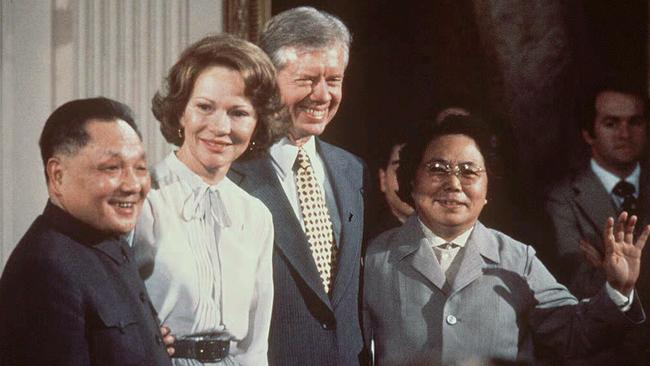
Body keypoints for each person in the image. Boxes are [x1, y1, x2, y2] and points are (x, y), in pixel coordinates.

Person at [363, 114, 648, 366]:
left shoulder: (517, 258)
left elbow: (575, 334)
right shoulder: (375, 257)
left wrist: (618, 289)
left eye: (469, 171)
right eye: (437, 169)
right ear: (412, 181)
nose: (453, 183)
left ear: (488, 188)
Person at [228, 7, 367, 365]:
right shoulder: (230, 173)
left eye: (333, 80)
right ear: (268, 80)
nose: (322, 95)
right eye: (306, 79)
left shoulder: (353, 171)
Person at [134, 34, 282, 365]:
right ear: (181, 112)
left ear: (258, 124)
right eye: (205, 107)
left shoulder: (255, 215)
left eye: (239, 112)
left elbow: (256, 345)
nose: (220, 126)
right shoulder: (142, 198)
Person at [0, 97, 173, 365]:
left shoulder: (109, 243)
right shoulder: (45, 268)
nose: (133, 185)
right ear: (58, 175)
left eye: (140, 168)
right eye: (112, 168)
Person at [544, 81, 650, 364]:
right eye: (611, 123)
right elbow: (575, 284)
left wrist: (607, 266)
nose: (625, 134)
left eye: (635, 122)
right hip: (604, 354)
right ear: (588, 133)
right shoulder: (562, 197)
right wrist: (618, 278)